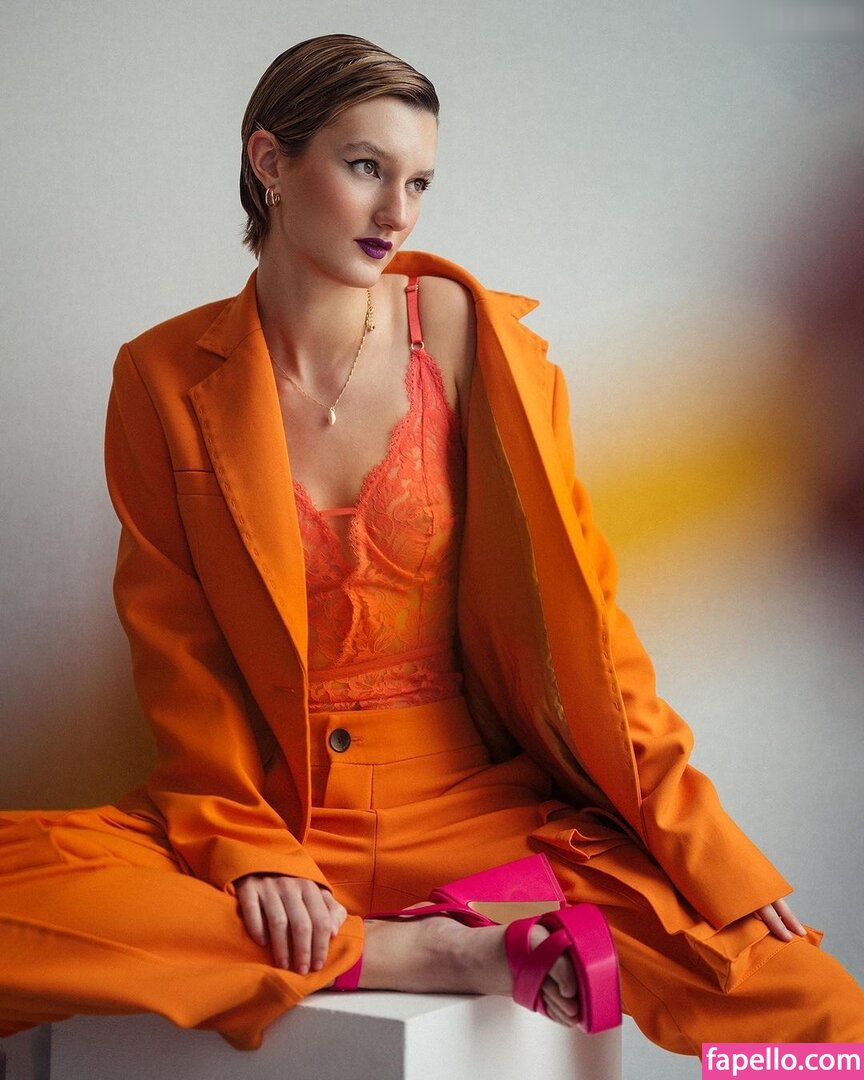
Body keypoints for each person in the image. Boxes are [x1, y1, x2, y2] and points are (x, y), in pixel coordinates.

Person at [1, 33, 862, 1059]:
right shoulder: (161, 377)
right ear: (270, 162)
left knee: (819, 1022)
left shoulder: (459, 332)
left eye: (417, 182)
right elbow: (180, 652)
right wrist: (248, 849)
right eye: (366, 167)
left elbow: (589, 628)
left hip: (480, 822)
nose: (396, 212)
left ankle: (394, 935)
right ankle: (420, 951)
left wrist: (706, 851)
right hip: (270, 810)